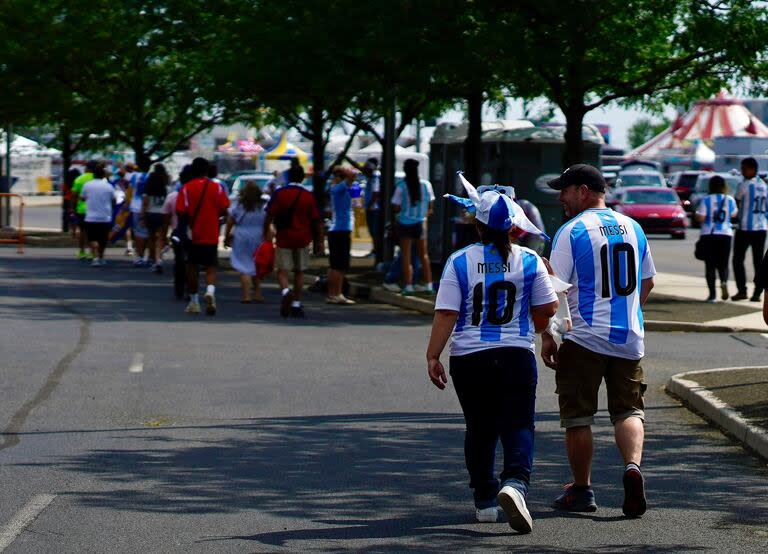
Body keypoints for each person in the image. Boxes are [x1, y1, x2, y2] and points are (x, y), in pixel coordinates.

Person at [427, 174, 557, 532]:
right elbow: (548, 308)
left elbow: (447, 314)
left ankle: (484, 499)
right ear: (513, 226)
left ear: (478, 225)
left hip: (469, 358)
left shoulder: (459, 261)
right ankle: (515, 483)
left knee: (480, 427)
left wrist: (433, 355)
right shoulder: (530, 260)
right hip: (516, 354)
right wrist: (540, 326)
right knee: (518, 422)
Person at [542, 164, 656, 518]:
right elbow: (647, 282)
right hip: (629, 337)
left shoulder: (571, 230)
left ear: (583, 191)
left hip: (585, 336)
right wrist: (628, 312)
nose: (561, 197)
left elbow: (553, 289)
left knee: (578, 416)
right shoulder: (633, 227)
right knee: (628, 409)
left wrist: (550, 335)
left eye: (565, 190)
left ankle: (582, 489)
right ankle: (633, 467)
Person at [264, 169, 321, 318]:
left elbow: (269, 214)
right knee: (299, 271)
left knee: (282, 270)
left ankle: (285, 291)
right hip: (303, 238)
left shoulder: (280, 193)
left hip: (284, 236)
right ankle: (296, 303)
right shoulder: (308, 196)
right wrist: (318, 241)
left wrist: (266, 232)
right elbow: (316, 220)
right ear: (302, 179)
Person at [176, 157, 230, 315]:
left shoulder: (186, 188)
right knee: (211, 265)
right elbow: (225, 208)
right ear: (207, 170)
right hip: (211, 232)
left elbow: (180, 211)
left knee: (191, 266)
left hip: (193, 234)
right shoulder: (217, 187)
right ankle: (210, 291)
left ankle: (194, 300)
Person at [391, 159, 435, 295]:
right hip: (420, 223)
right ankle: (429, 285)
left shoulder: (401, 186)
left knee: (406, 256)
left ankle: (409, 286)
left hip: (405, 223)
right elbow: (431, 206)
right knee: (424, 255)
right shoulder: (426, 185)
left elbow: (396, 207)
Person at [695, 175, 738, 303]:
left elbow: (701, 218)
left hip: (709, 234)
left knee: (710, 265)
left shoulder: (706, 199)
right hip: (725, 234)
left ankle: (712, 295)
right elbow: (734, 214)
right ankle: (724, 282)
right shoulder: (729, 199)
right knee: (723, 264)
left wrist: (696, 216)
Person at [225, 180, 266, 303]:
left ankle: (246, 295)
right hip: (258, 235)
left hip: (241, 236)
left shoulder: (238, 206)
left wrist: (227, 237)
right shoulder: (263, 206)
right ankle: (258, 293)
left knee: (244, 266)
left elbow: (230, 222)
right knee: (256, 264)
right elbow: (267, 222)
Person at [732, 157, 767, 302]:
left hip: (745, 227)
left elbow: (737, 201)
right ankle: (758, 292)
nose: (742, 171)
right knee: (758, 261)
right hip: (761, 227)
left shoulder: (744, 185)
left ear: (752, 169)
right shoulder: (764, 185)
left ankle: (742, 290)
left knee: (737, 260)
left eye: (744, 169)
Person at [325, 167, 358, 305]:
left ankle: (333, 293)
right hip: (341, 229)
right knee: (340, 265)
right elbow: (352, 176)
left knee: (335, 265)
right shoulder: (338, 188)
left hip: (338, 229)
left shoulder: (336, 188)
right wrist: (347, 172)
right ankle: (337, 293)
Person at [81, 164, 119, 266]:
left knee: (92, 238)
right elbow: (114, 200)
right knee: (103, 239)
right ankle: (101, 257)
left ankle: (95, 257)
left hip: (91, 216)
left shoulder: (87, 185)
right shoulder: (108, 186)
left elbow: (82, 198)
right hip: (105, 216)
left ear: (93, 175)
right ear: (103, 175)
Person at [163, 165, 192, 300]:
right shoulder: (196, 195)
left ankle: (179, 287)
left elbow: (166, 218)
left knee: (179, 261)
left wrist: (163, 236)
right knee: (192, 262)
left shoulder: (173, 196)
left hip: (177, 232)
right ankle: (190, 287)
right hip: (195, 233)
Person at [142, 163, 170, 273]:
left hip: (151, 213)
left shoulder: (149, 187)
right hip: (163, 214)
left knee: (151, 238)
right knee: (160, 238)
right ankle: (159, 259)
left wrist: (143, 216)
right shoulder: (167, 188)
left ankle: (152, 258)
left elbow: (145, 203)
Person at [70, 160, 98, 259]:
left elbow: (74, 195)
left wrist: (72, 208)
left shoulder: (79, 179)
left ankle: (82, 251)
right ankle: (92, 252)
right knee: (93, 231)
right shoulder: (98, 179)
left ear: (87, 168)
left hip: (81, 209)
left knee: (82, 231)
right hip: (95, 209)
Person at [126, 164, 150, 266]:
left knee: (137, 232)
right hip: (148, 206)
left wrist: (127, 204)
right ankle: (147, 256)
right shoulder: (150, 176)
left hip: (135, 206)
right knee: (147, 232)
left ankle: (139, 256)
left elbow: (129, 191)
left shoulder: (134, 176)